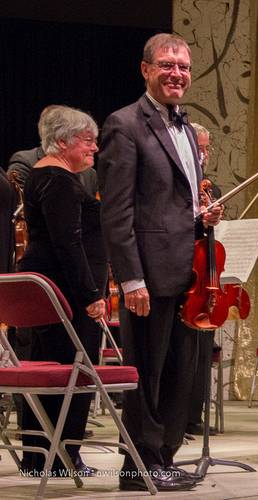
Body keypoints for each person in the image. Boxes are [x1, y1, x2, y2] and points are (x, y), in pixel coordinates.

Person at [98, 33, 222, 491]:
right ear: (146, 69)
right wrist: (130, 279)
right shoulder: (124, 124)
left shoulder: (188, 129)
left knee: (177, 375)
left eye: (184, 66)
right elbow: (117, 211)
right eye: (167, 65)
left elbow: (176, 200)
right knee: (146, 374)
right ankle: (138, 466)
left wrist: (201, 213)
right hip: (148, 274)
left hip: (187, 272)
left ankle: (162, 458)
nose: (177, 73)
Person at [16, 105, 106, 477]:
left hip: (58, 293)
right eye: (88, 141)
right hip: (69, 297)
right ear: (63, 141)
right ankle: (61, 457)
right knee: (72, 374)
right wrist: (90, 295)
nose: (94, 149)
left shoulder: (49, 177)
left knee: (53, 371)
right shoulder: (58, 180)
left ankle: (43, 458)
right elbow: (68, 245)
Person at [185, 122, 220, 437]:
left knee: (202, 350)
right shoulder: (181, 184)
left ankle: (194, 415)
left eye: (207, 148)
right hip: (183, 278)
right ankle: (177, 415)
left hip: (205, 281)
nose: (204, 154)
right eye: (199, 147)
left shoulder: (211, 188)